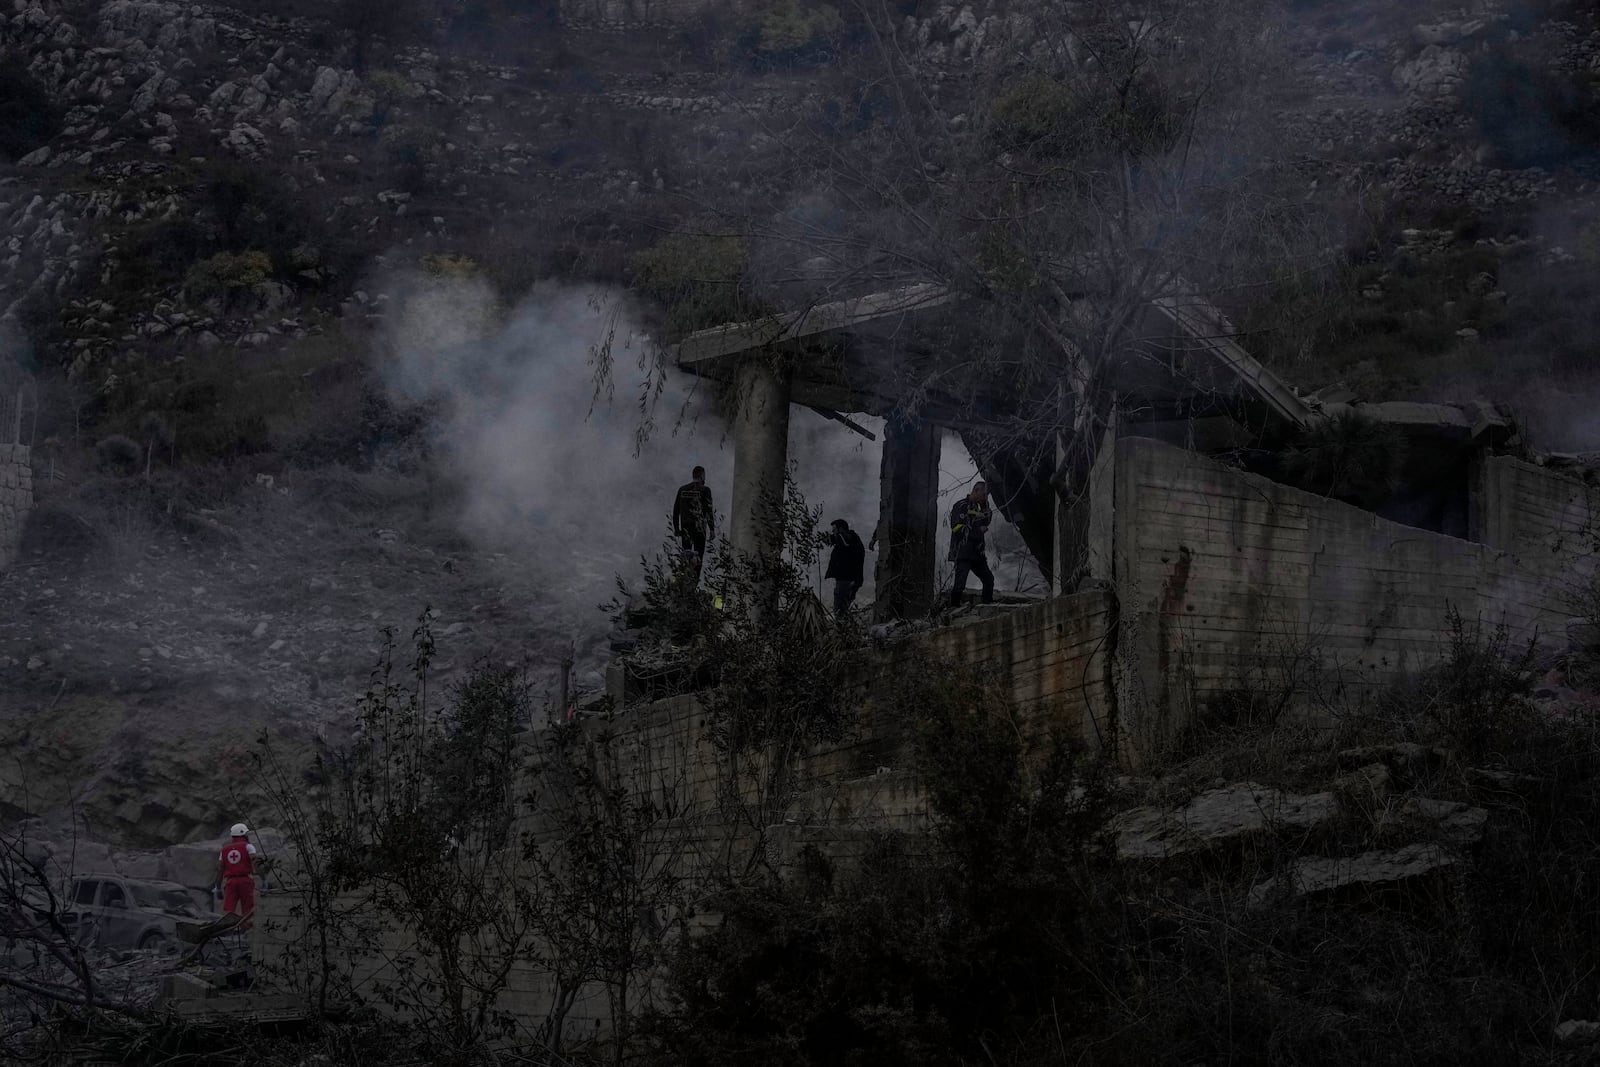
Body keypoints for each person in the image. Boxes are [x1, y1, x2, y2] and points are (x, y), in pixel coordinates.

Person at [948, 481, 995, 608]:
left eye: (987, 495)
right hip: (963, 552)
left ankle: (987, 607)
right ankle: (953, 608)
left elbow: (987, 520)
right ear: (976, 491)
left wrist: (985, 505)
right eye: (984, 494)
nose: (985, 497)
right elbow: (957, 528)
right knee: (960, 584)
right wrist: (977, 531)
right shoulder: (961, 505)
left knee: (988, 579)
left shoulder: (979, 508)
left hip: (977, 553)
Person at [671, 466, 714, 582]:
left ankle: (685, 582)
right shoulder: (705, 490)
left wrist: (676, 529)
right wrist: (712, 529)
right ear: (702, 476)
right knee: (698, 558)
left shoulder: (682, 490)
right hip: (699, 530)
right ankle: (694, 583)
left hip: (686, 529)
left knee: (687, 557)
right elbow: (709, 511)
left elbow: (676, 512)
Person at [215, 822, 258, 928]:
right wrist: (261, 877)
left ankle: (227, 930)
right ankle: (246, 929)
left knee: (229, 908)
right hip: (245, 881)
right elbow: (255, 861)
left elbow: (220, 869)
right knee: (247, 908)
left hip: (230, 882)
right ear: (243, 834)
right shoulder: (249, 847)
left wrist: (218, 887)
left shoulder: (224, 850)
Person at [824, 518, 866, 618]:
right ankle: (845, 630)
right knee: (843, 610)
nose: (833, 532)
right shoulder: (852, 540)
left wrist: (834, 538)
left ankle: (842, 631)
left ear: (841, 529)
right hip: (850, 580)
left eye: (835, 530)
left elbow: (844, 541)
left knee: (839, 611)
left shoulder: (847, 539)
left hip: (846, 580)